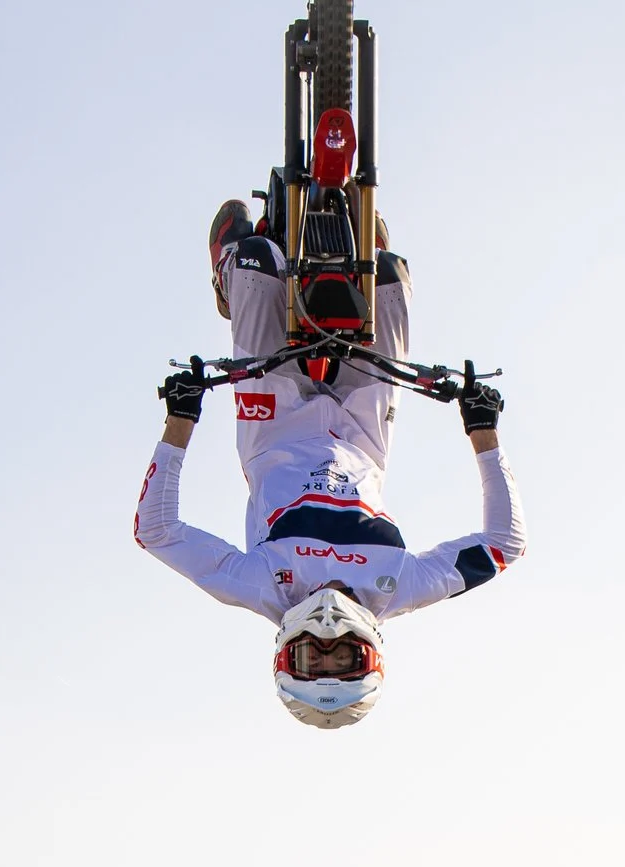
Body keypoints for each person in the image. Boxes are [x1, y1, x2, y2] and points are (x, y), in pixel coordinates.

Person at [133, 209, 526, 729]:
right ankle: (351, 236)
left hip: (272, 423)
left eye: (311, 661)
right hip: (363, 429)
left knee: (257, 259)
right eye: (341, 661)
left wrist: (180, 418)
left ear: (283, 655)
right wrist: (483, 432)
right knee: (389, 274)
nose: (326, 639)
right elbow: (505, 542)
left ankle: (231, 278)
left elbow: (156, 531)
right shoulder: (399, 585)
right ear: (371, 654)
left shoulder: (260, 586)